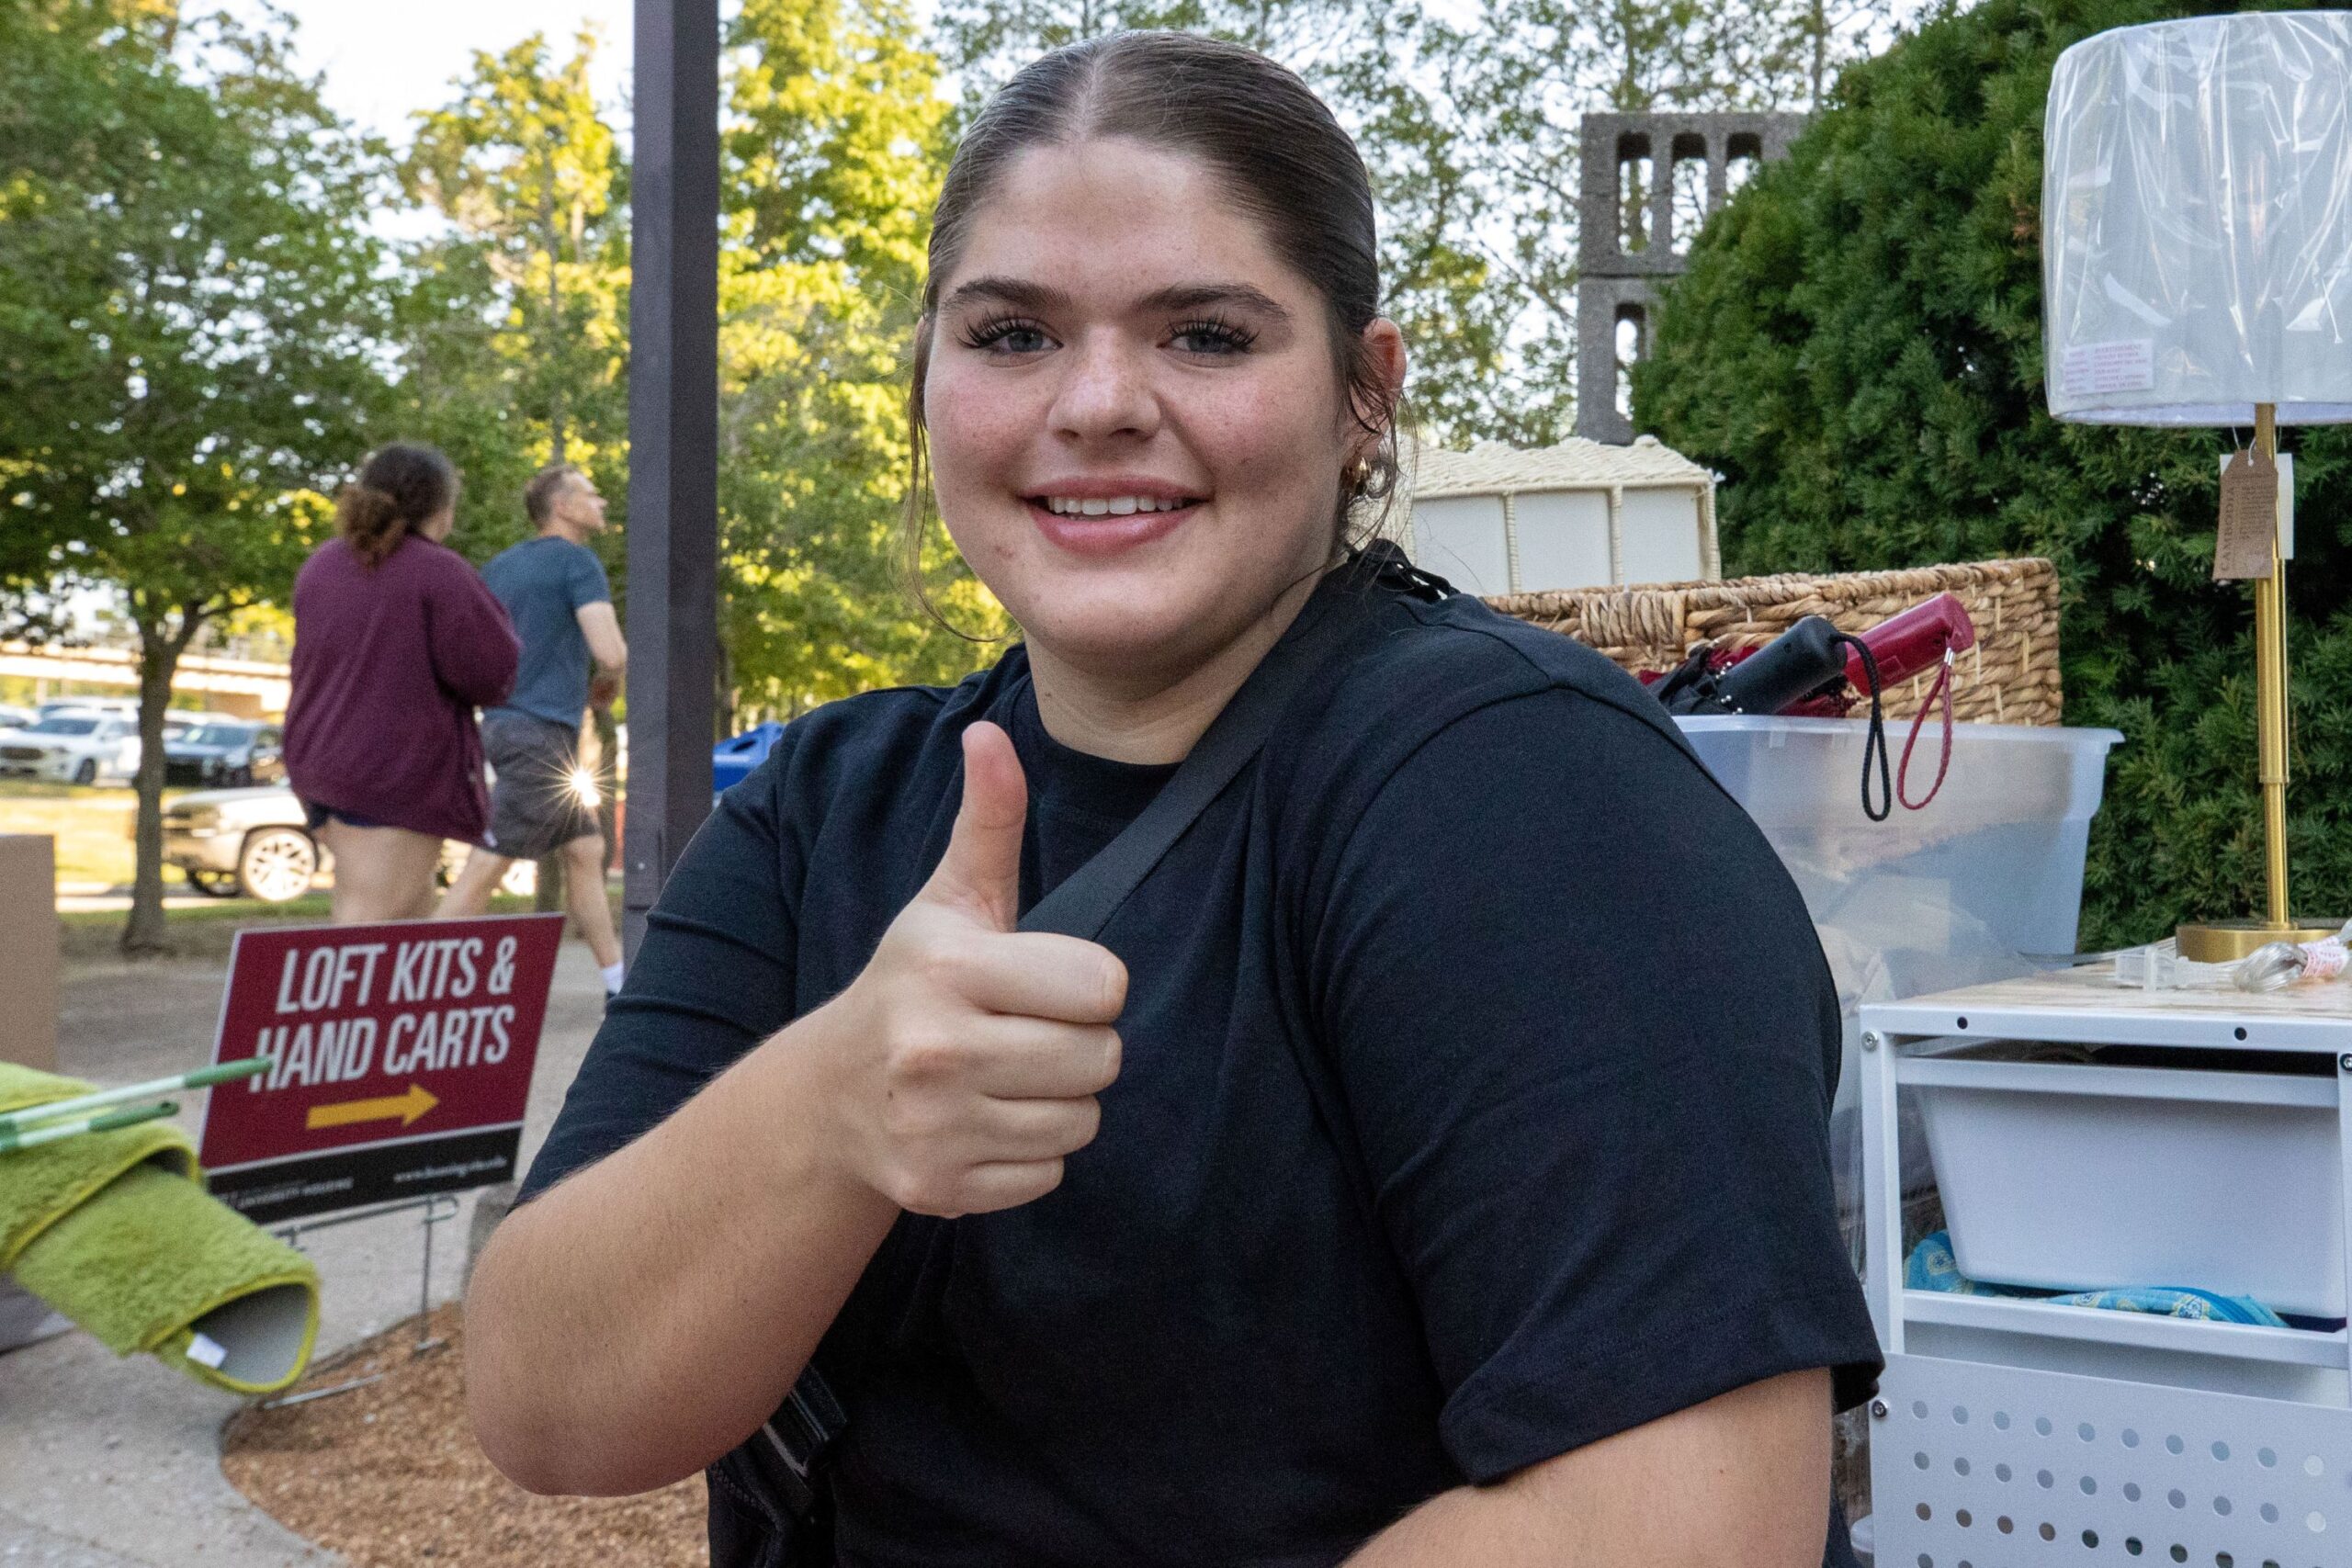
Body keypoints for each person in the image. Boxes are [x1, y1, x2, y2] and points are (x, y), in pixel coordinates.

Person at [466, 33, 1880, 1567]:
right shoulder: (824, 805)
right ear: (931, 379)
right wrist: (829, 1109)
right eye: (1012, 333)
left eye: (1205, 335)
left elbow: (1683, 1524)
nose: (1098, 404)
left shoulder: (1521, 794)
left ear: (1363, 394)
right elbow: (548, 1405)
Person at [283, 443, 519, 924]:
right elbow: (490, 674)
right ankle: (345, 1005)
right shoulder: (435, 571)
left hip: (321, 765)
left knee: (397, 927)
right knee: (369, 936)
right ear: (442, 508)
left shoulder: (323, 566)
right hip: (392, 772)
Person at [438, 463, 628, 998]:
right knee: (488, 864)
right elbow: (610, 652)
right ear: (562, 507)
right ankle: (407, 980)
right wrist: (608, 680)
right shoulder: (578, 563)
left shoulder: (498, 567)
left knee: (584, 851)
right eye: (592, 494)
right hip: (542, 733)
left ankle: (619, 983)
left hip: (503, 726)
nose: (603, 503)